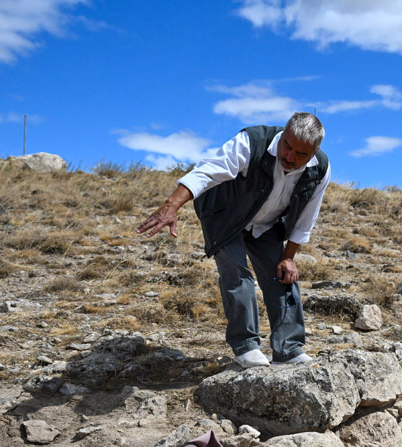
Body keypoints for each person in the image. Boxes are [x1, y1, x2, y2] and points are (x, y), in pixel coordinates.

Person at [136, 113, 330, 367]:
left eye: (301, 154)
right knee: (237, 272)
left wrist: (289, 257)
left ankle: (289, 349)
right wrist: (172, 204)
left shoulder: (320, 169)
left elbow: (307, 217)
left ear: (314, 151)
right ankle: (245, 347)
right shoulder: (252, 142)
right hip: (225, 216)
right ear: (282, 135)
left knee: (282, 277)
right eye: (287, 146)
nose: (290, 157)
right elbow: (208, 171)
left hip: (266, 224)